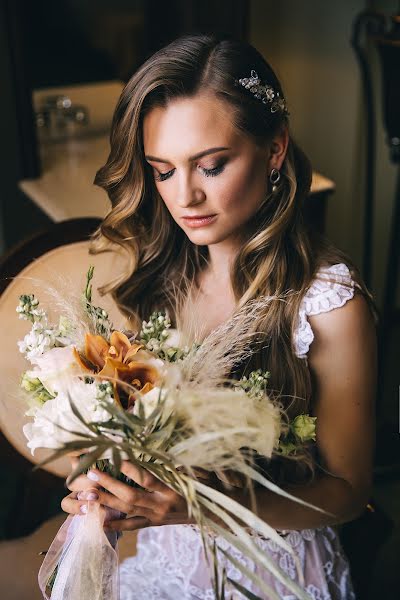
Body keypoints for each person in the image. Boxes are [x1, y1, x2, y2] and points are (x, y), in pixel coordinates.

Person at [61, 32, 378, 599]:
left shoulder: (327, 302)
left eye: (210, 166)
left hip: (273, 568)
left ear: (275, 149)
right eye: (162, 171)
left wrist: (199, 507)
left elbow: (349, 494)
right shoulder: (160, 269)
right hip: (166, 556)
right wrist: (111, 481)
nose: (184, 197)